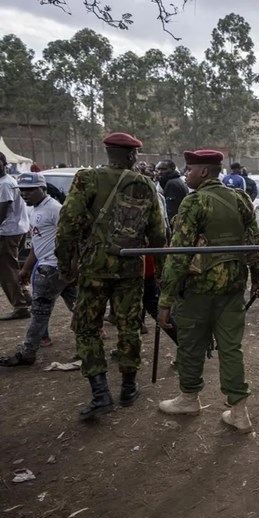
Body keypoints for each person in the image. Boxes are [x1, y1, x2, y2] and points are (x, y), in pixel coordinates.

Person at [56, 132, 167, 421]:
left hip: (94, 266)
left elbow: (68, 222)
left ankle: (100, 392)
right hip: (131, 267)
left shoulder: (87, 179)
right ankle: (129, 387)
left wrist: (65, 262)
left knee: (86, 326)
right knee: (129, 325)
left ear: (107, 152)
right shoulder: (146, 184)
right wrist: (162, 269)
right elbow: (157, 233)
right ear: (132, 156)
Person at [157, 149, 259, 432]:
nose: (186, 173)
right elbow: (254, 244)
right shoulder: (241, 198)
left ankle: (189, 398)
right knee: (231, 348)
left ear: (204, 172)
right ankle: (239, 411)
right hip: (233, 287)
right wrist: (258, 279)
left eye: (189, 169)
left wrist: (166, 299)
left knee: (191, 344)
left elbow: (179, 255)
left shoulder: (193, 202)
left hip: (198, 290)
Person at [0, 173, 77, 367]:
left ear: (42, 188)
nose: (25, 194)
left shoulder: (55, 210)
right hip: (52, 266)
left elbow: (72, 239)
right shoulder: (34, 210)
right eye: (23, 190)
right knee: (78, 306)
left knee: (40, 312)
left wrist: (72, 266)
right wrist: (26, 268)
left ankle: (28, 352)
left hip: (52, 268)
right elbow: (37, 243)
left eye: (30, 189)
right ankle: (89, 343)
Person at [0, 151, 31, 320]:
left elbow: (2, 211)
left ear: (4, 164)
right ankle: (25, 298)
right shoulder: (7, 182)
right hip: (17, 230)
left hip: (7, 232)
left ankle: (20, 306)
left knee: (6, 271)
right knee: (12, 267)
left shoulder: (5, 184)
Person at [155, 159, 188, 224]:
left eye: (164, 169)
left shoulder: (172, 184)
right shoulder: (174, 181)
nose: (160, 172)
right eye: (158, 169)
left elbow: (171, 211)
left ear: (172, 169)